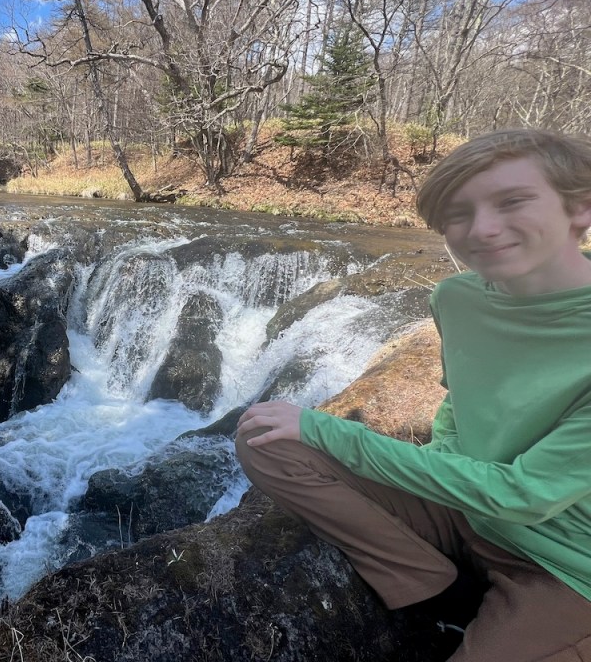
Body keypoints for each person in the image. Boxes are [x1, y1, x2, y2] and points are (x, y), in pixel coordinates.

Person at [236, 128, 591, 661]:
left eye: (513, 201)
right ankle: (439, 595)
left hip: (563, 561)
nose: (483, 229)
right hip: (463, 506)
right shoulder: (456, 298)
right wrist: (441, 456)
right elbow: (456, 402)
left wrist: (328, 430)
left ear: (580, 208)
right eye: (458, 214)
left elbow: (524, 496)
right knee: (265, 439)